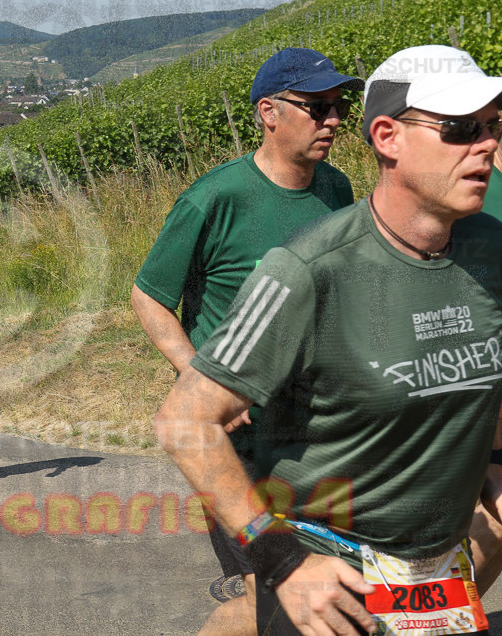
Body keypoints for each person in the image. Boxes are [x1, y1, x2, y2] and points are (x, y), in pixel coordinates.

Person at [155, 44, 502, 635]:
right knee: (249, 610)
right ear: (388, 137)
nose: (487, 144)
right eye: (460, 129)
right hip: (329, 579)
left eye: (494, 126)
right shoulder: (306, 268)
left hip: (436, 577)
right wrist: (284, 564)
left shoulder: (492, 250)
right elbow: (184, 421)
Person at [130, 47, 361, 634]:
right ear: (269, 112)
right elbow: (149, 296)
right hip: (240, 438)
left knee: (318, 588)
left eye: (339, 106)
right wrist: (196, 372)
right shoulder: (215, 198)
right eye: (317, 107)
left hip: (318, 430)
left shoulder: (339, 190)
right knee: (275, 592)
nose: (333, 119)